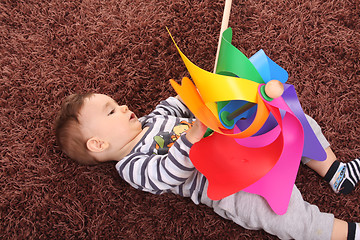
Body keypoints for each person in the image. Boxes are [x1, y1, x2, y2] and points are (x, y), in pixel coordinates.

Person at [55, 92, 360, 240]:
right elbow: (164, 176)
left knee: (292, 121)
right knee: (281, 212)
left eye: (116, 103)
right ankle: (344, 233)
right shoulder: (131, 165)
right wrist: (189, 138)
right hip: (227, 185)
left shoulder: (151, 119)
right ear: (98, 144)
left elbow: (178, 100)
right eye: (111, 112)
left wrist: (200, 91)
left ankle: (335, 171)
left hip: (236, 142)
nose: (123, 107)